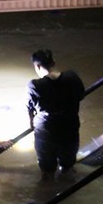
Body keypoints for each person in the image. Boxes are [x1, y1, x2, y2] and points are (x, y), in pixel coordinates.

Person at [27, 49, 86, 181]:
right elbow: (81, 96)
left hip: (46, 132)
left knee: (47, 170)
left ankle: (48, 195)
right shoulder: (72, 77)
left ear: (37, 66)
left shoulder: (35, 85)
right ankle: (66, 192)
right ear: (54, 62)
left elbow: (30, 108)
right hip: (69, 127)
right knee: (68, 165)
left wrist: (31, 124)